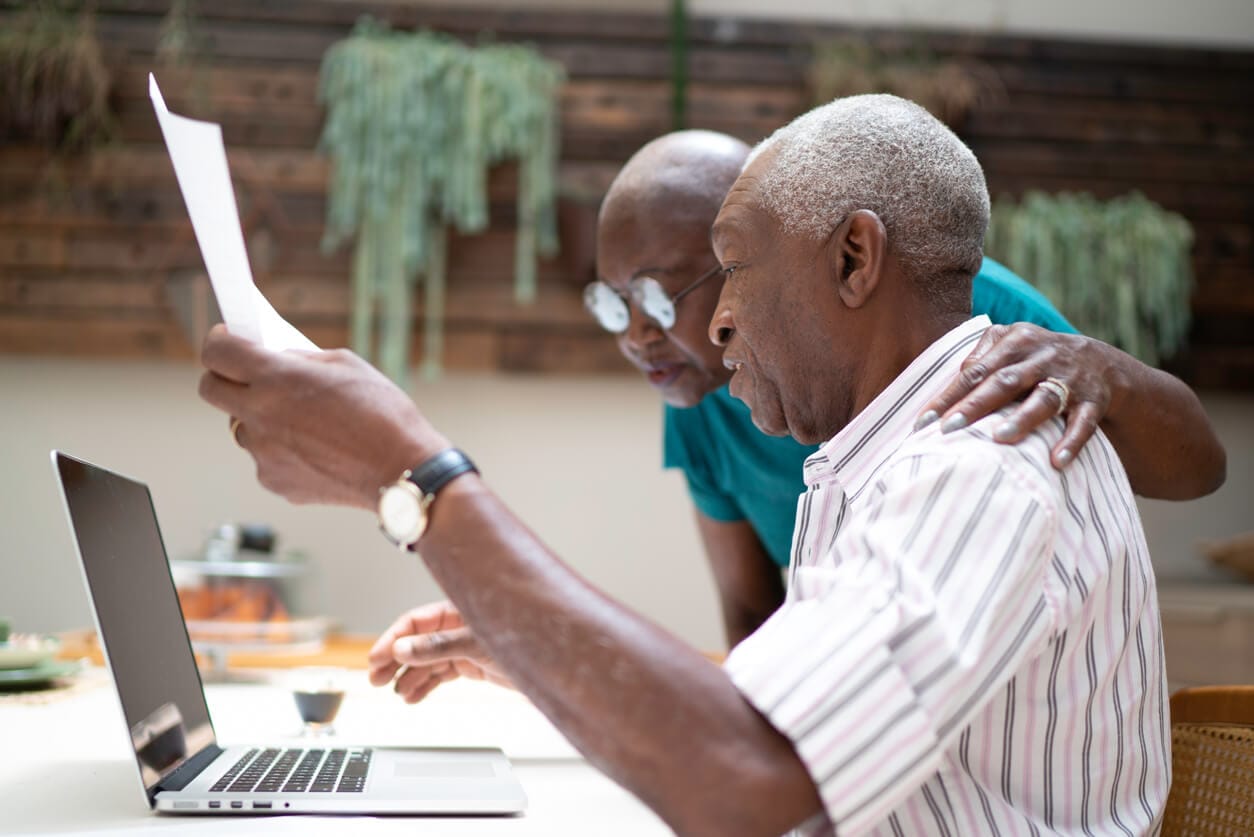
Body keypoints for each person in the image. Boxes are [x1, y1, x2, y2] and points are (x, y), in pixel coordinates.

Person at [200, 94, 1180, 834]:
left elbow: (745, 776)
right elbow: (771, 706)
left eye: (734, 270)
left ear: (853, 260)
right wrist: (538, 652)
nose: (709, 323)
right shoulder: (878, 459)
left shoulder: (977, 466)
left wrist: (416, 477)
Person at [585, 131, 1224, 647]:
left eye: (657, 295)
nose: (638, 336)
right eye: (615, 304)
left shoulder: (976, 319)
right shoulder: (701, 388)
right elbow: (755, 615)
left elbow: (1199, 469)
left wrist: (1104, 368)